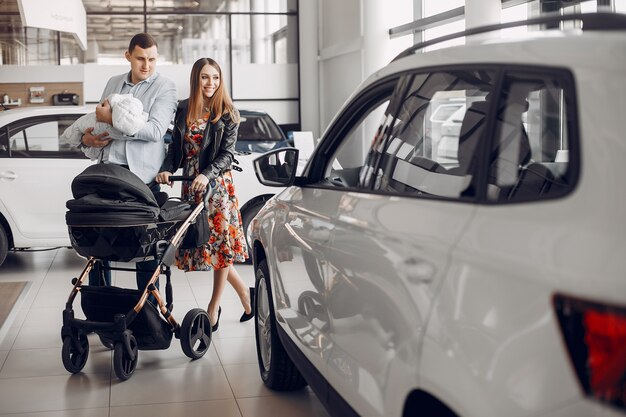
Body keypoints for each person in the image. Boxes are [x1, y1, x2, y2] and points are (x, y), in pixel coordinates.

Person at [64, 33, 177, 289]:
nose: (146, 65)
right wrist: (89, 141)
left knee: (146, 252)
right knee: (99, 245)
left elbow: (155, 131)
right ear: (128, 56)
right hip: (106, 174)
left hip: (142, 180)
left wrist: (112, 121)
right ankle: (100, 305)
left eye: (151, 59)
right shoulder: (113, 82)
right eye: (140, 59)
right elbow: (98, 122)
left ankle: (147, 313)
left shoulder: (165, 87)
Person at [156, 57, 252, 332]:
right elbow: (175, 149)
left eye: (216, 78)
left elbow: (227, 154)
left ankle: (213, 308)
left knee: (221, 247)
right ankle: (246, 294)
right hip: (191, 185)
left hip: (216, 186)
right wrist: (166, 169)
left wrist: (205, 174)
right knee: (205, 245)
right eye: (205, 77)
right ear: (196, 79)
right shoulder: (184, 109)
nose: (211, 83)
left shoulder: (228, 112)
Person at [61, 93, 148, 160]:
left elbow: (155, 133)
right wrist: (85, 141)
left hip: (137, 167)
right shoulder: (113, 82)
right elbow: (100, 109)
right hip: (105, 164)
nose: (145, 68)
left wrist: (109, 119)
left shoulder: (159, 89)